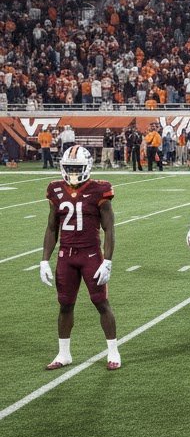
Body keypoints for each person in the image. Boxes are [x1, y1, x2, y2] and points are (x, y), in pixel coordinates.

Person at [39, 146, 121, 371]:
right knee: (65, 305)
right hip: (66, 255)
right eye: (70, 168)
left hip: (91, 254)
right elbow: (51, 227)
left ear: (87, 168)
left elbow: (109, 228)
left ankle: (113, 351)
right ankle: (64, 354)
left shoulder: (99, 189)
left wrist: (108, 260)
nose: (73, 172)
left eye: (77, 168)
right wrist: (44, 259)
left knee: (101, 303)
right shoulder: (55, 189)